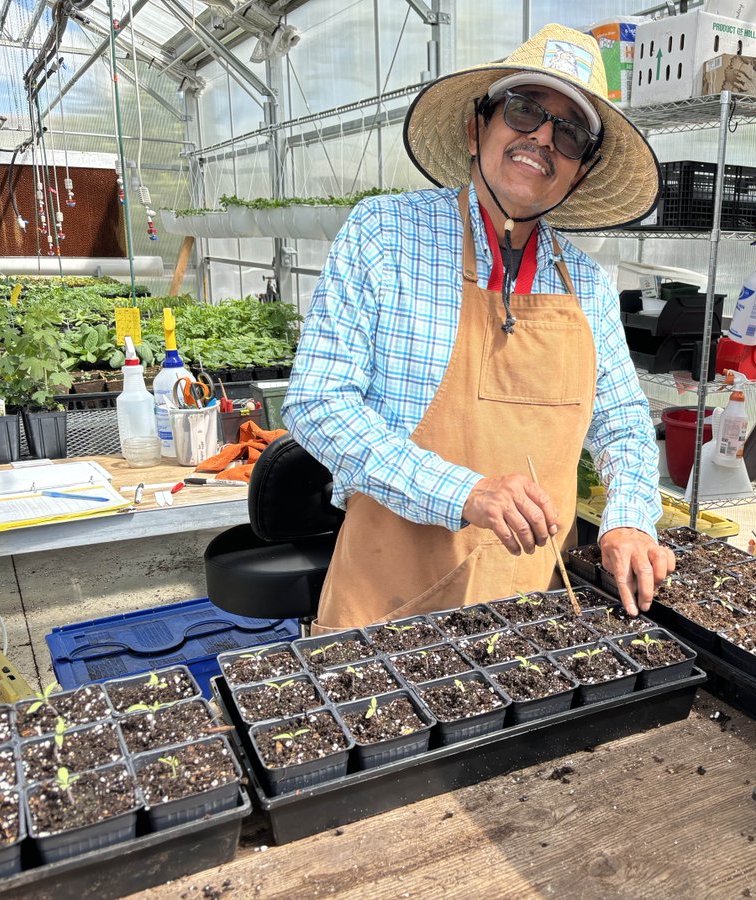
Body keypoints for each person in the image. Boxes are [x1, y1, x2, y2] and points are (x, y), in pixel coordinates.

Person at [283, 23, 675, 631]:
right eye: (524, 110)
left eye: (569, 133)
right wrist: (461, 491)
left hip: (530, 606)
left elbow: (622, 422)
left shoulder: (586, 285)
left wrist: (628, 518)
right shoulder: (385, 234)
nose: (542, 137)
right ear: (476, 129)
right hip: (390, 604)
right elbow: (318, 403)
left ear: (579, 171)